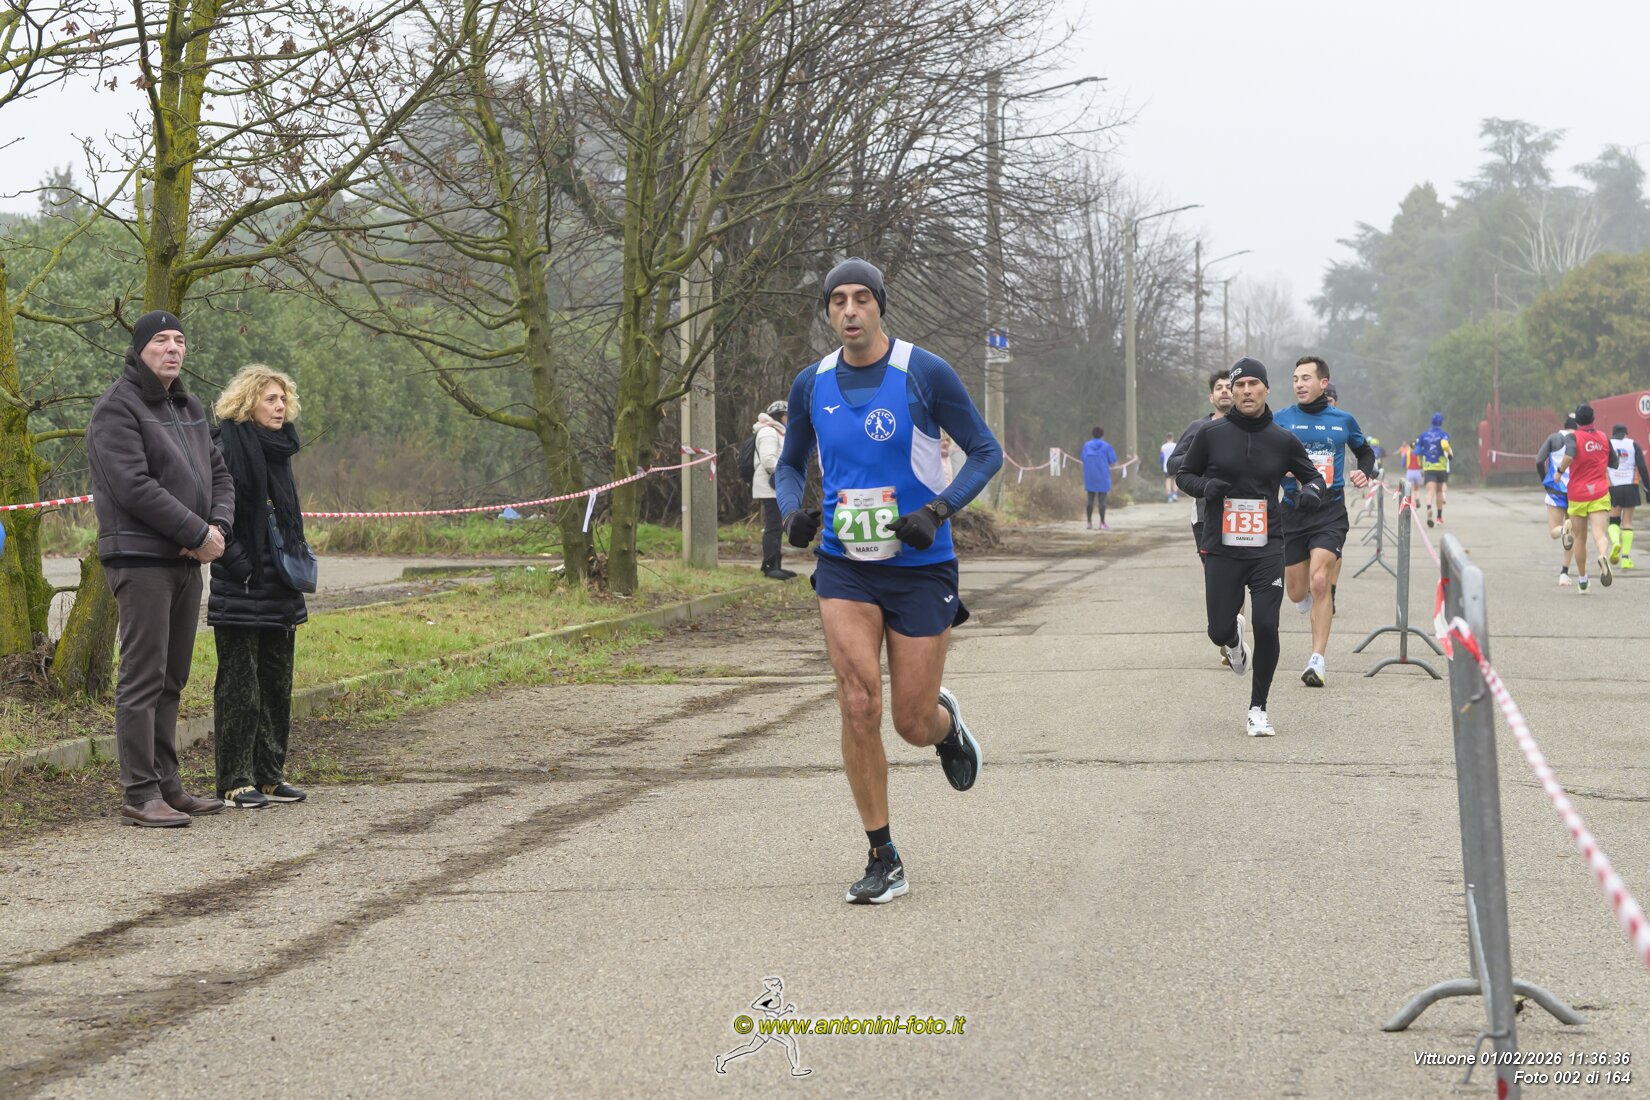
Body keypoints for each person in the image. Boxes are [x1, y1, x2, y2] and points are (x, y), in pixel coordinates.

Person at [774, 257, 1001, 905]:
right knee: (857, 702)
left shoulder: (923, 373)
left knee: (909, 721)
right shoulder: (811, 383)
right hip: (845, 564)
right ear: (827, 311)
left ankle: (945, 726)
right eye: (837, 301)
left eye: (861, 299)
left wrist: (937, 510)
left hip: (921, 566)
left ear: (880, 305)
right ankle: (883, 856)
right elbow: (790, 465)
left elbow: (986, 452)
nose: (850, 311)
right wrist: (792, 512)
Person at [87, 311, 235, 828]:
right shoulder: (116, 407)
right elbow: (133, 486)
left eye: (179, 340)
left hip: (187, 560)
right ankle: (139, 792)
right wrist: (195, 533)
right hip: (142, 559)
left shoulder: (189, 407)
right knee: (143, 677)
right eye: (161, 341)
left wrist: (217, 527)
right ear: (139, 349)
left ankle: (168, 786)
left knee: (173, 676)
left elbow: (220, 475)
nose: (173, 349)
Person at [1175, 358, 1324, 737]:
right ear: (1232, 390)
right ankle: (1233, 642)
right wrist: (1206, 487)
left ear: (1266, 390)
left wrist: (1310, 492)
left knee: (1267, 625)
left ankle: (1259, 708)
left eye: (1253, 384)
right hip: (1221, 544)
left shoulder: (1282, 439)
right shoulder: (1211, 434)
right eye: (1238, 385)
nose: (1245, 391)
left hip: (1266, 544)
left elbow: (1314, 478)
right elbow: (1184, 475)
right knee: (1217, 630)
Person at [208, 365, 312, 810]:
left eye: (283, 399)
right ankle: (235, 780)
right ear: (248, 402)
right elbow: (212, 508)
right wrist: (238, 563)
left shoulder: (281, 449)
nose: (280, 406)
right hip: (242, 584)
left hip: (280, 583)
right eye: (271, 399)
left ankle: (269, 775)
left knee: (276, 684)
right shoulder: (224, 444)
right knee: (239, 688)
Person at [1273, 356, 1376, 688]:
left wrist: (1364, 472)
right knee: (1295, 592)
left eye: (1306, 378)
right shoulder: (1281, 419)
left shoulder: (1343, 420)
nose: (1299, 384)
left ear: (1323, 383)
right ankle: (1305, 598)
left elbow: (1365, 452)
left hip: (1329, 512)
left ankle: (1317, 660)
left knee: (1320, 581)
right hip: (1292, 511)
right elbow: (1262, 452)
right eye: (1295, 379)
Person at [1167, 370, 1238, 666]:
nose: (1225, 391)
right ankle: (1231, 634)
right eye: (1219, 388)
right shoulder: (1199, 428)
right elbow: (1173, 463)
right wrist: (1203, 457)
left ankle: (1234, 639)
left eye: (1229, 387)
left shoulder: (1249, 426)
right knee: (1217, 578)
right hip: (1205, 515)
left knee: (1238, 575)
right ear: (1211, 397)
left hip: (1241, 513)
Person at [1558, 403, 1620, 590]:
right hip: (1599, 492)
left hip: (1578, 494)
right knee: (1600, 534)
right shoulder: (1604, 438)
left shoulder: (1572, 437)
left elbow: (1570, 455)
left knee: (1579, 538)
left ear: (1577, 420)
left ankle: (1583, 579)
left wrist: (1559, 471)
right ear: (1593, 419)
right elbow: (1615, 463)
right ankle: (1603, 555)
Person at [751, 399, 794, 580]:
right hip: (770, 487)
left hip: (777, 486)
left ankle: (775, 565)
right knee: (773, 526)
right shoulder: (768, 432)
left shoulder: (778, 431)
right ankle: (770, 567)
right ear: (779, 416)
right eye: (787, 415)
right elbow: (769, 460)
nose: (790, 418)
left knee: (778, 527)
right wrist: (788, 472)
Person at [1534, 416, 1578, 586]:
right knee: (1572, 534)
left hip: (1555, 489)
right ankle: (1564, 573)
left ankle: (1562, 531)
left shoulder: (1553, 438)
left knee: (1554, 531)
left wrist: (1544, 479)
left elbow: (1539, 460)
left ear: (1564, 426)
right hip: (1575, 491)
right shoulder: (1579, 440)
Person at [1607, 424, 1648, 569]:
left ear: (1613, 433)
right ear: (1626, 433)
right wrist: (1647, 488)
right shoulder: (1633, 444)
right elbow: (1642, 467)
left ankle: (1615, 543)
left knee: (1614, 520)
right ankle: (1625, 558)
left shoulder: (1608, 444)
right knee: (1628, 522)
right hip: (1631, 486)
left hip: (1613, 486)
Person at [1416, 412, 1452, 526]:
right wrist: (1449, 455)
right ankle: (1439, 517)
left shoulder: (1423, 435)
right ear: (1441, 422)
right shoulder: (1444, 435)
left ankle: (1428, 508)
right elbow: (1446, 446)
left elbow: (1417, 451)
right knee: (1439, 491)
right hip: (1441, 467)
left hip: (1429, 467)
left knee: (1430, 491)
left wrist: (1422, 457)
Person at [1080, 427, 1117, 530]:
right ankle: (1102, 523)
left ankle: (1089, 523)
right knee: (1102, 501)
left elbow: (1083, 458)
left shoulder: (1086, 446)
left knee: (1090, 499)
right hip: (1103, 476)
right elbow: (1113, 460)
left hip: (1090, 476)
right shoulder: (1107, 446)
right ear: (1102, 435)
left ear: (1092, 434)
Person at [1160, 435, 1178, 502]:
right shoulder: (1176, 445)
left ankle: (1170, 497)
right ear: (1172, 438)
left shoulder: (1163, 446)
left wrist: (1162, 465)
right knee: (1175, 480)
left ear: (1167, 438)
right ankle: (1175, 494)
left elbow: (1161, 457)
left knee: (1168, 481)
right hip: (1175, 465)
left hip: (1166, 466)